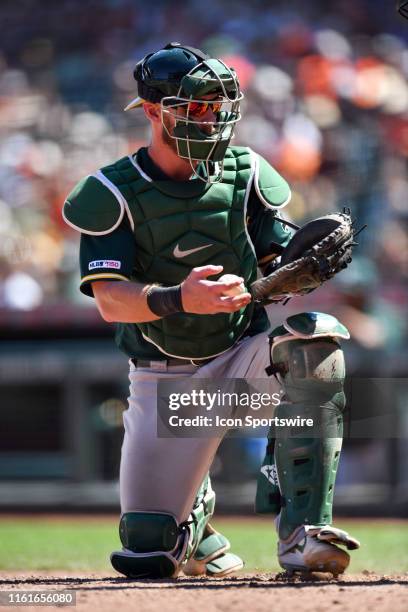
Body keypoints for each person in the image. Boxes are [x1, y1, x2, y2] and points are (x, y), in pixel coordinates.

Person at [63, 42, 359, 579]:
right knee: (148, 551)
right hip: (165, 381)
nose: (213, 118)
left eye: (220, 106)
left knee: (315, 341)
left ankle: (303, 534)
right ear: (153, 111)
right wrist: (180, 297)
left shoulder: (246, 173)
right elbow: (110, 300)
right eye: (196, 106)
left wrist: (300, 266)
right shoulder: (110, 191)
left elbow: (276, 257)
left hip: (243, 357)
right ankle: (191, 523)